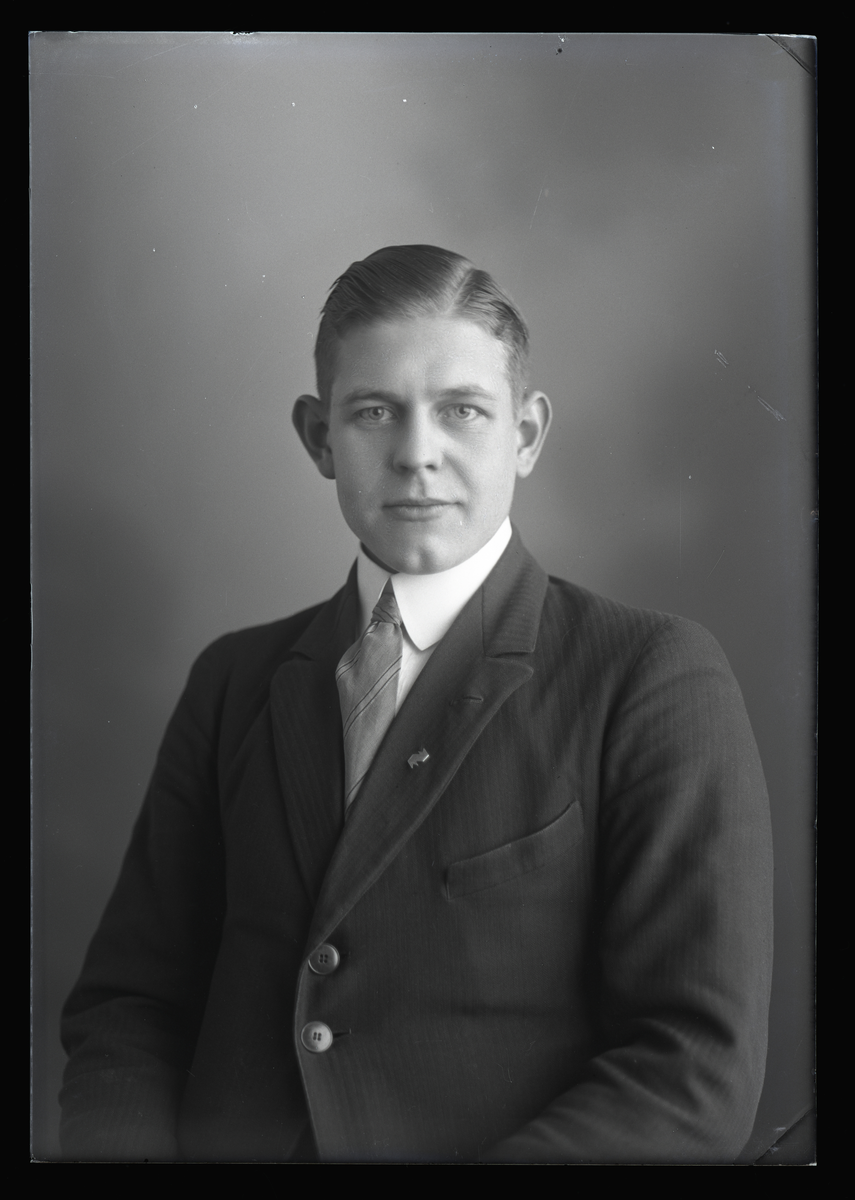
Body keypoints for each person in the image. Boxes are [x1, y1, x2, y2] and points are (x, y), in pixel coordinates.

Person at [59, 244, 774, 1163]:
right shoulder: (234, 680)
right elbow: (131, 1006)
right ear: (319, 438)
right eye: (373, 412)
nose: (416, 454)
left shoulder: (646, 675)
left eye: (462, 411)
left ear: (526, 433)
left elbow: (691, 1070)